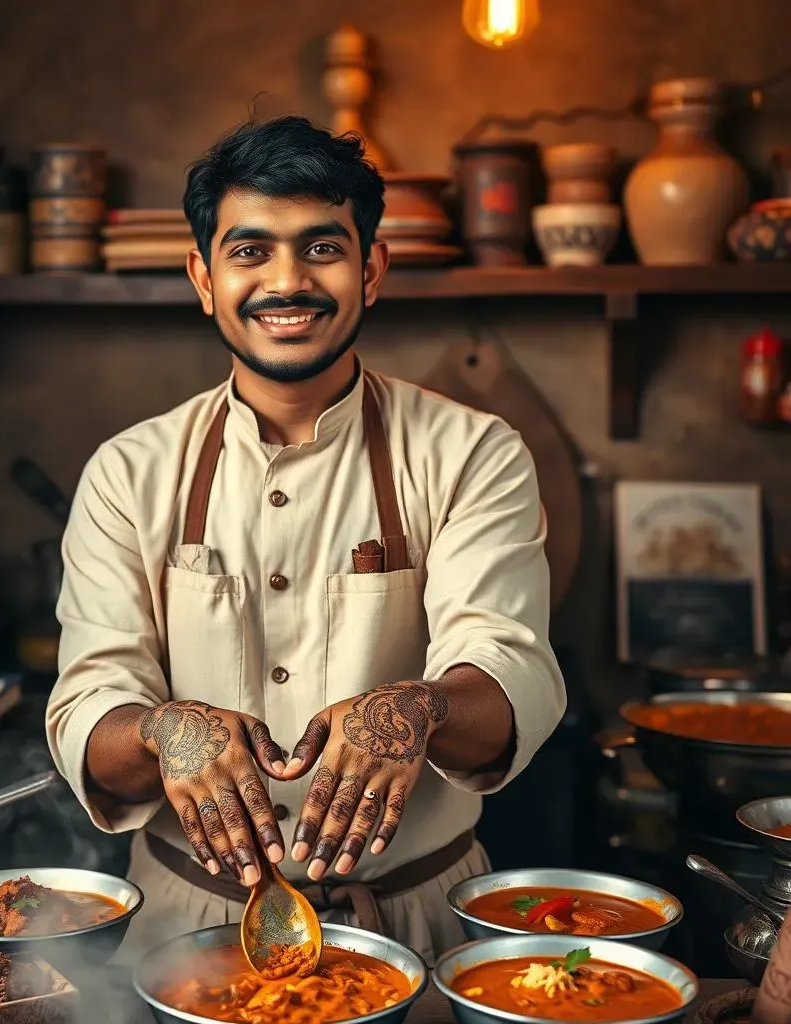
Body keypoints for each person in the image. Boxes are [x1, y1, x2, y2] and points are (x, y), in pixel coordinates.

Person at [46, 115, 566, 974]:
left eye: (321, 248)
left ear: (371, 269)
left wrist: (418, 708)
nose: (287, 282)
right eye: (249, 252)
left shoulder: (473, 451)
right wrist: (161, 730)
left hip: (422, 929)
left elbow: (509, 672)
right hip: (185, 931)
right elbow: (89, 709)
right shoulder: (128, 473)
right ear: (202, 278)